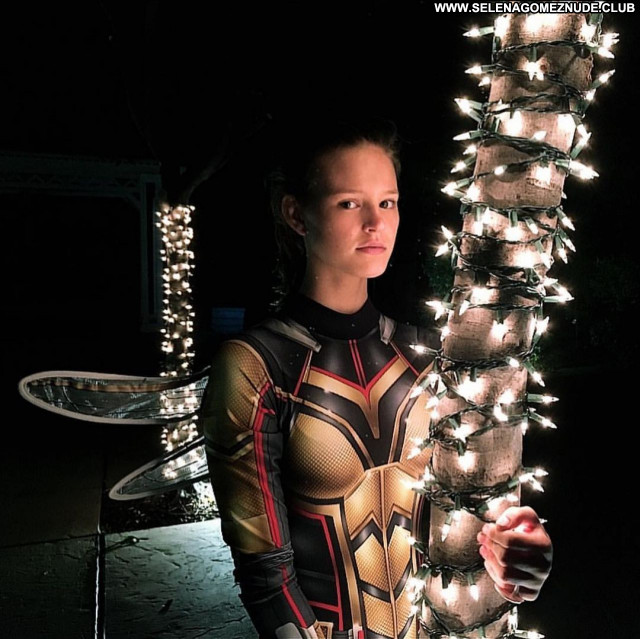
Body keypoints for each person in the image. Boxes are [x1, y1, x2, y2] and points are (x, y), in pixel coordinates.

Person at [199, 115, 553, 639]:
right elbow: (266, 578)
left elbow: (471, 524)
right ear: (296, 214)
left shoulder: (429, 356)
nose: (375, 223)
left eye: (387, 202)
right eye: (349, 203)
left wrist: (514, 553)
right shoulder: (255, 365)